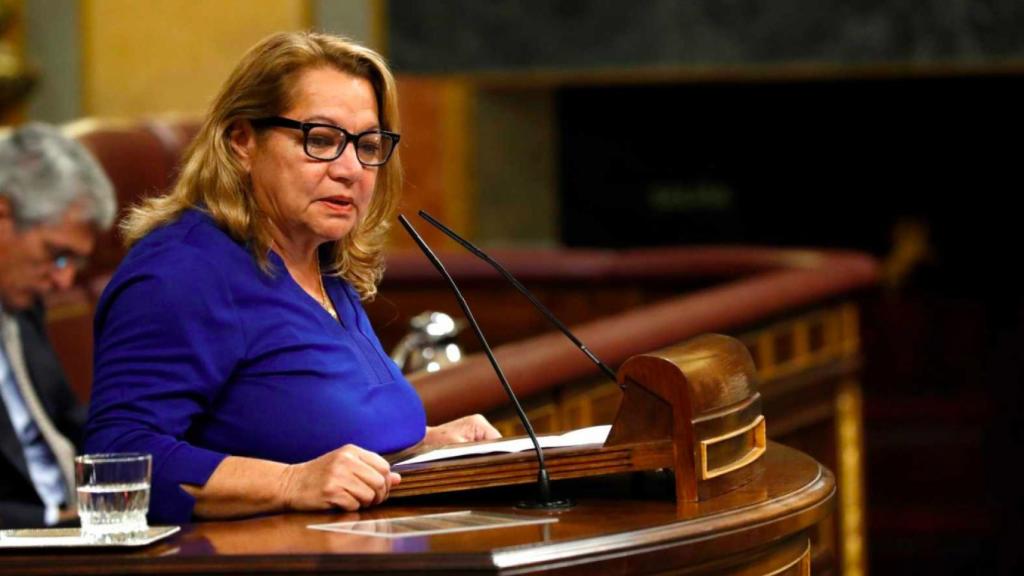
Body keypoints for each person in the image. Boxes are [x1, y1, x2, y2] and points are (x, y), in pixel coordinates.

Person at [83, 32, 500, 525]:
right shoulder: (182, 273)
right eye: (321, 140)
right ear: (242, 141)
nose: (351, 169)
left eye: (368, 145)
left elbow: (299, 430)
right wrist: (288, 483)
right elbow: (115, 464)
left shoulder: (320, 263)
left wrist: (423, 446)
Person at [0, 123, 116, 528]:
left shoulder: (20, 308)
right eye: (57, 254)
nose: (65, 281)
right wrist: (51, 519)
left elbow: (67, 424)